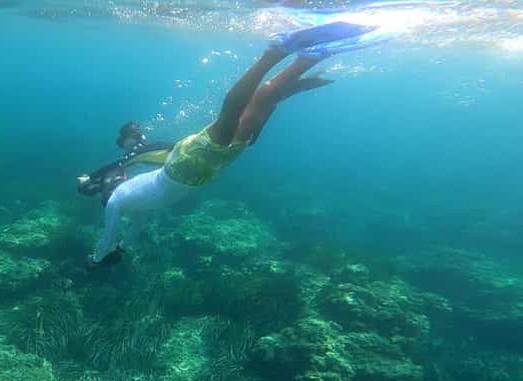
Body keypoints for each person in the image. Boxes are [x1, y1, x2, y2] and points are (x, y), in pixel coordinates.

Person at [88, 21, 386, 269]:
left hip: (188, 167)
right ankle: (308, 58)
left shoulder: (118, 201)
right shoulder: (134, 207)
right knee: (256, 106)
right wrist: (121, 249)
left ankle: (275, 52)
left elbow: (108, 234)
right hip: (199, 170)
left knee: (232, 114)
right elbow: (128, 232)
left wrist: (98, 256)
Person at [77, 122, 175, 205]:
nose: (123, 147)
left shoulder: (135, 153)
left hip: (155, 189)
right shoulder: (147, 149)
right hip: (162, 186)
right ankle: (96, 186)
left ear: (130, 139)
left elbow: (114, 166)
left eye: (123, 143)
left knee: (112, 176)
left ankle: (99, 188)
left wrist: (90, 177)